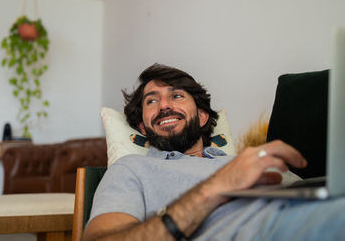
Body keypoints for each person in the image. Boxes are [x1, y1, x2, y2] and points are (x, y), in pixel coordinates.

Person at [83, 63, 345, 240]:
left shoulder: (245, 161)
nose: (163, 105)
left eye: (176, 96)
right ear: (142, 125)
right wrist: (212, 190)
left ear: (203, 116)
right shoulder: (130, 168)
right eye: (151, 100)